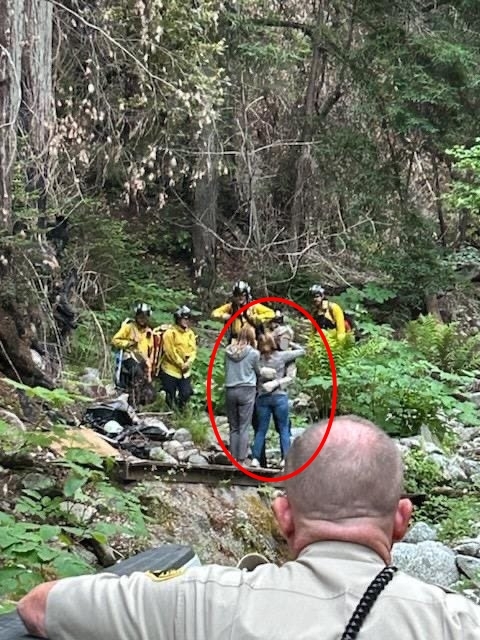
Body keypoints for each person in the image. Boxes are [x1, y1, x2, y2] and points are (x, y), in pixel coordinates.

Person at [17, 414, 480, 639]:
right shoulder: (457, 622)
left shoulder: (198, 599)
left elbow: (39, 607)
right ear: (402, 520)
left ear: (283, 516)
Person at [250, 332, 305, 468]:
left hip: (262, 397)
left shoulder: (257, 357)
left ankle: (255, 459)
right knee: (283, 429)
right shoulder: (282, 356)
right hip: (279, 396)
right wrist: (289, 343)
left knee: (261, 430)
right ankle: (285, 459)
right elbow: (302, 351)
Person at [224, 325, 260, 464]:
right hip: (247, 389)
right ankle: (241, 458)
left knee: (233, 426)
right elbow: (258, 371)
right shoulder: (254, 353)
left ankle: (232, 457)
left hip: (230, 389)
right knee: (244, 426)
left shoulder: (228, 351)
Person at [111, 302, 155, 406]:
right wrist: (129, 343)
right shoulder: (129, 327)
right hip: (129, 356)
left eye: (144, 317)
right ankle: (133, 400)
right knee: (137, 373)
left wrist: (150, 363)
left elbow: (151, 349)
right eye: (140, 316)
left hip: (143, 359)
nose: (142, 319)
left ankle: (141, 400)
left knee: (148, 384)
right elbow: (115, 340)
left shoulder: (149, 333)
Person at [211, 280, 275, 344]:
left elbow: (271, 313)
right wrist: (223, 315)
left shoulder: (254, 306)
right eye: (237, 295)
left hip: (253, 339)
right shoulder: (230, 307)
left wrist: (258, 318)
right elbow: (214, 313)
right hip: (236, 340)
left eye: (242, 295)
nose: (240, 297)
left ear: (247, 295)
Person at [159, 305, 197, 410]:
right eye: (184, 318)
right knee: (170, 395)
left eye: (188, 318)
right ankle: (171, 414)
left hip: (185, 371)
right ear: (178, 318)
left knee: (186, 393)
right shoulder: (170, 333)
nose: (186, 321)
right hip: (171, 369)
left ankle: (182, 412)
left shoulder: (190, 334)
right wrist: (180, 363)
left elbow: (193, 350)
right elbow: (170, 351)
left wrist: (189, 362)